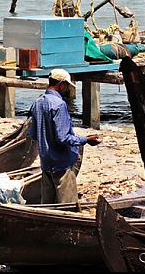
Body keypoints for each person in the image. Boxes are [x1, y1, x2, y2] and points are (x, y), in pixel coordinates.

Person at [28, 68, 101, 204]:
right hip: (61, 164)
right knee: (67, 206)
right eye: (66, 85)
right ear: (61, 84)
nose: (67, 89)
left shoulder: (37, 103)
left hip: (46, 163)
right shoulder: (59, 105)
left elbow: (33, 134)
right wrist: (86, 140)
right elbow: (63, 138)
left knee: (47, 208)